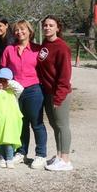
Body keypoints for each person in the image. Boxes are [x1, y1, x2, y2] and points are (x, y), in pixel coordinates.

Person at [0, 20, 46, 168]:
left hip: (33, 89)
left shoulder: (38, 50)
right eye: (16, 30)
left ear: (29, 31)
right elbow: (4, 70)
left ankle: (40, 155)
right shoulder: (9, 50)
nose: (19, 32)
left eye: (22, 29)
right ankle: (21, 152)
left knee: (36, 123)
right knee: (21, 123)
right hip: (15, 90)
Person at [36, 16, 73, 172]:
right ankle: (58, 156)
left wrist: (59, 97)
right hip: (48, 92)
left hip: (60, 93)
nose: (47, 28)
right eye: (45, 25)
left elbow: (65, 75)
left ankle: (66, 160)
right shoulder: (45, 44)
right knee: (54, 125)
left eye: (51, 25)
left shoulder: (62, 47)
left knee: (62, 125)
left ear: (58, 28)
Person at [0, 68, 24, 169]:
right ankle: (2, 158)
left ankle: (9, 159)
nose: (2, 83)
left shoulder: (13, 92)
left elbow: (20, 88)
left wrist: (9, 83)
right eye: (0, 80)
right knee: (0, 140)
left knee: (8, 140)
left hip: (10, 121)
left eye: (5, 80)